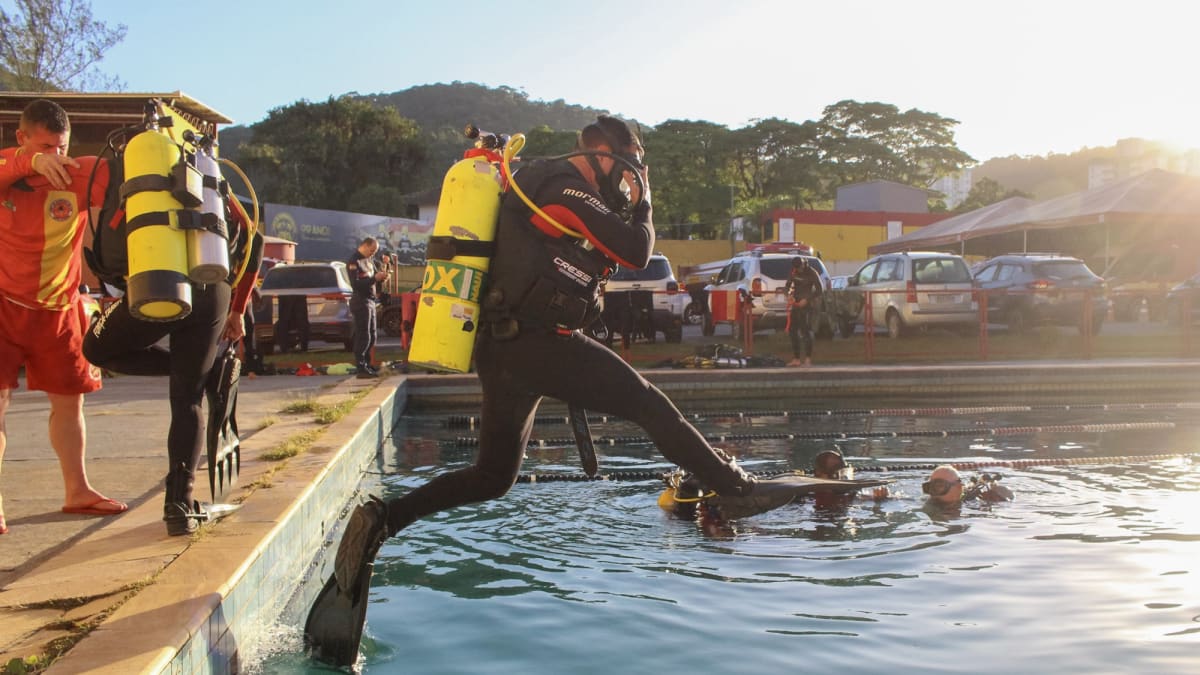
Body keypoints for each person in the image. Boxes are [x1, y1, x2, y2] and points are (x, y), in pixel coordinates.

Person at [304, 116, 760, 666]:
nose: (633, 177)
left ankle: (382, 522)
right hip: (534, 345)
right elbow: (637, 249)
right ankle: (733, 485)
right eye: (632, 162)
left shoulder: (551, 188)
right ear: (602, 153)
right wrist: (646, 201)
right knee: (647, 403)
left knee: (493, 477)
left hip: (508, 348)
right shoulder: (561, 184)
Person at [82, 151, 263, 537]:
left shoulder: (136, 170)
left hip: (158, 283)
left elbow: (107, 246)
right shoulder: (212, 180)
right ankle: (178, 505)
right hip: (212, 288)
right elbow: (255, 239)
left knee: (96, 350)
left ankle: (202, 371)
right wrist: (237, 311)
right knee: (187, 398)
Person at [0, 99, 128, 535]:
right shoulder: (8, 167)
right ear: (21, 139)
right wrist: (28, 161)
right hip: (4, 305)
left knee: (71, 403)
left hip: (59, 308)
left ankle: (78, 490)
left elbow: (123, 181)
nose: (56, 158)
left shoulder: (77, 172)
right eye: (45, 147)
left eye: (62, 147)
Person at [346, 237, 388, 378]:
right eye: (371, 250)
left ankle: (368, 365)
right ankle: (361, 367)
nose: (373, 254)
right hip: (360, 301)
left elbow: (375, 278)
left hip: (371, 301)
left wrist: (382, 278)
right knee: (363, 335)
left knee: (372, 335)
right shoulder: (354, 261)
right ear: (364, 246)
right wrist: (374, 279)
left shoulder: (369, 261)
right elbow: (356, 284)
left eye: (375, 251)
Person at [782, 256, 822, 367]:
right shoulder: (794, 272)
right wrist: (788, 295)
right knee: (792, 330)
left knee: (805, 331)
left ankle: (808, 358)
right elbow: (786, 286)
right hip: (796, 303)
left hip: (807, 304)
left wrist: (807, 299)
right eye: (796, 268)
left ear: (803, 264)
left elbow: (819, 289)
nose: (798, 270)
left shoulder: (811, 273)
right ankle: (796, 358)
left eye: (799, 268)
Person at [922, 464, 1013, 507]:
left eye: (940, 486)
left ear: (958, 487)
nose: (934, 493)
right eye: (931, 487)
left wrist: (999, 497)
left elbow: (1010, 496)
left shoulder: (976, 501)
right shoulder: (928, 503)